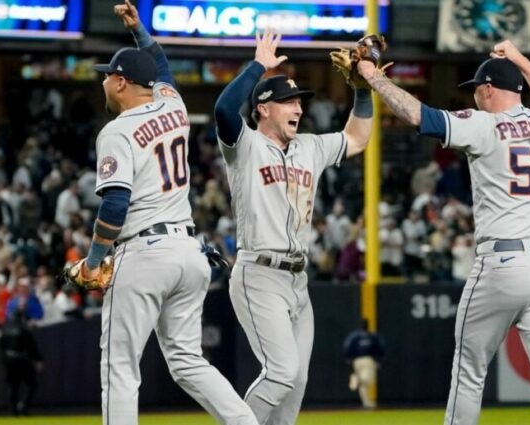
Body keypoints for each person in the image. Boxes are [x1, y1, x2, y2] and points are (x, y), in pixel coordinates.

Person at [356, 40, 530, 425]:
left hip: (505, 262)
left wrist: (373, 77)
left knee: (469, 370)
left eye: (476, 88)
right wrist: (519, 59)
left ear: (486, 89)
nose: (475, 94)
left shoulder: (485, 125)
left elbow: (420, 116)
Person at [79, 2, 258, 424]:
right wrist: (138, 28)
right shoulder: (173, 107)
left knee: (120, 369)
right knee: (187, 360)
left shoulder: (118, 130)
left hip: (144, 253)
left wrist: (92, 262)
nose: (105, 82)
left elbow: (116, 203)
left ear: (121, 82)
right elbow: (160, 66)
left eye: (109, 76)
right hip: (187, 253)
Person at [214, 31, 374, 424]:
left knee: (296, 381)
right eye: (289, 101)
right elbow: (223, 110)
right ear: (264, 108)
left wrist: (363, 90)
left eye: (300, 101)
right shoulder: (245, 146)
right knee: (281, 372)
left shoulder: (310, 147)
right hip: (259, 274)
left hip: (298, 281)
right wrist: (257, 67)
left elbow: (357, 138)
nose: (299, 107)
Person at [0, 310, 42, 416]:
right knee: (32, 384)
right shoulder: (24, 329)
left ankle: (13, 409)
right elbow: (31, 347)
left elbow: (1, 346)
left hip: (9, 361)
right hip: (22, 361)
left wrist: (5, 360)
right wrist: (38, 360)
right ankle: (24, 406)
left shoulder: (5, 329)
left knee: (13, 386)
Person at [342, 319, 385, 409]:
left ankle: (366, 403)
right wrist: (379, 359)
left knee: (363, 385)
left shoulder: (354, 336)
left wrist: (348, 357)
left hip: (357, 361)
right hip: (367, 360)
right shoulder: (371, 336)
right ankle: (358, 379)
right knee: (368, 380)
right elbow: (380, 348)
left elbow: (346, 346)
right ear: (367, 326)